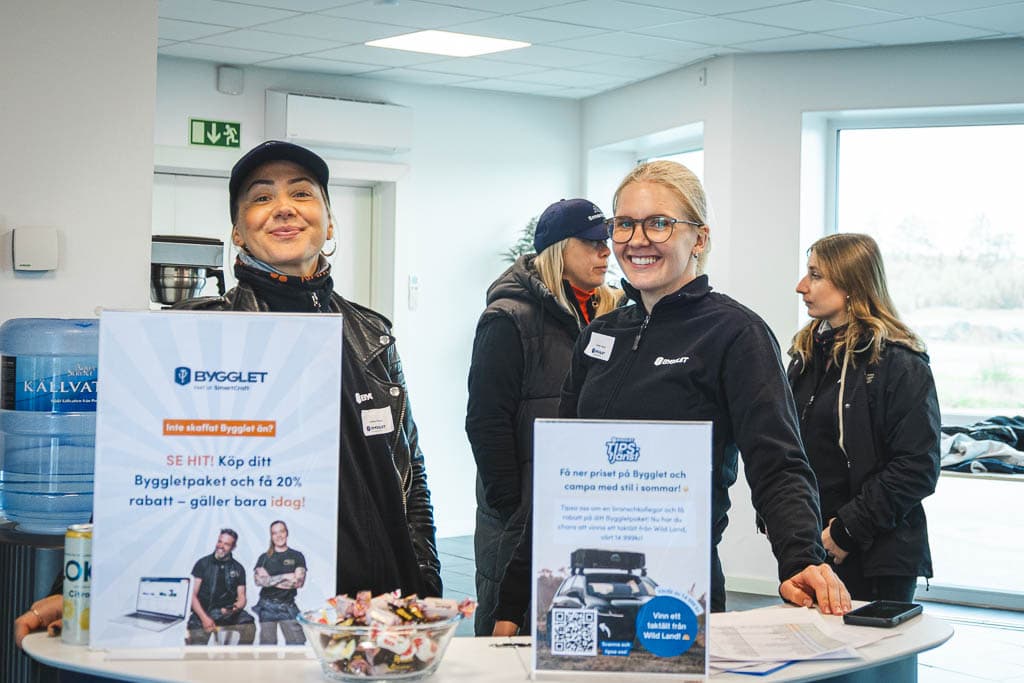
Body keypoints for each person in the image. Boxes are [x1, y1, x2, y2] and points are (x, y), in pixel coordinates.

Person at [493, 160, 849, 636]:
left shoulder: (734, 333)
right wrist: (512, 602)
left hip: (678, 593)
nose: (637, 240)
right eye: (624, 224)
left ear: (698, 239)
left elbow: (778, 462)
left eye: (659, 223)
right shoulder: (599, 336)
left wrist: (801, 557)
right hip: (578, 588)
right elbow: (560, 481)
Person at [175, 140, 441, 600]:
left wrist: (425, 580)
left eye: (301, 194)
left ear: (329, 221)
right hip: (267, 602)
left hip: (378, 602)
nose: (283, 209)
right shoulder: (199, 330)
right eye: (261, 198)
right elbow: (144, 467)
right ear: (237, 231)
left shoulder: (372, 334)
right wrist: (84, 585)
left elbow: (409, 474)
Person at [466, 198, 621, 636]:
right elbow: (485, 420)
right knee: (508, 628)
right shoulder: (507, 319)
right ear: (558, 249)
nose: (605, 252)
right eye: (592, 243)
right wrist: (513, 505)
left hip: (586, 505)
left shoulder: (613, 315)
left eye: (606, 241)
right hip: (521, 509)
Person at [790, 233, 940, 602]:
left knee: (873, 661)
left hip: (878, 560)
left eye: (816, 275)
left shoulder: (900, 363)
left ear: (851, 285)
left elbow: (916, 467)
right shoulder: (806, 357)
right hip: (814, 552)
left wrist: (845, 531)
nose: (801, 286)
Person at [187, 528, 256, 645]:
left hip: (228, 612)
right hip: (204, 612)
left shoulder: (238, 568)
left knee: (248, 626)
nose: (221, 546)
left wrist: (230, 610)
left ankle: (242, 659)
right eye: (220, 541)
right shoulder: (202, 563)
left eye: (226, 544)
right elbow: (192, 595)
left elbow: (242, 598)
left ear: (233, 547)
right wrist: (204, 618)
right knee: (196, 648)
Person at [253, 520, 307, 645]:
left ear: (287, 533)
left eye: (281, 531)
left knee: (297, 645)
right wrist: (286, 576)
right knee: (267, 648)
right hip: (266, 606)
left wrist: (270, 580)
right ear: (271, 536)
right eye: (274, 533)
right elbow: (259, 581)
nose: (279, 536)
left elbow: (298, 583)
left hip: (287, 606)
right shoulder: (264, 558)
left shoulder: (297, 556)